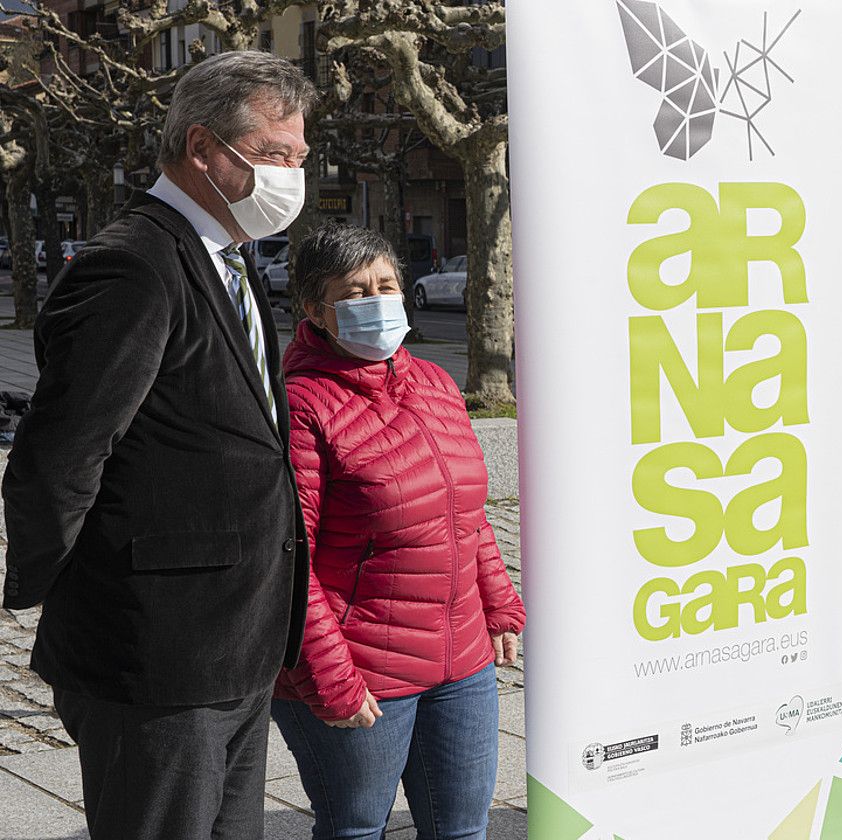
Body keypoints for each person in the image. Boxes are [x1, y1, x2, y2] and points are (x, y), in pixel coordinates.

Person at [0, 51, 315, 840]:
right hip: (157, 653)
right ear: (204, 148)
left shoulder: (228, 255)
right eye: (275, 155)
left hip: (236, 643)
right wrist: (75, 596)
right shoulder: (132, 266)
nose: (292, 176)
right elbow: (61, 455)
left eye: (300, 158)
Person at [270, 223, 526, 840]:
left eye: (386, 285)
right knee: (356, 828)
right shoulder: (300, 404)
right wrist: (328, 677)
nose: (377, 301)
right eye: (355, 293)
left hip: (461, 664)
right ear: (316, 310)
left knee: (461, 830)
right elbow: (285, 563)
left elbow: (465, 516)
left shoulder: (436, 384)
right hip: (360, 669)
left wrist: (498, 606)